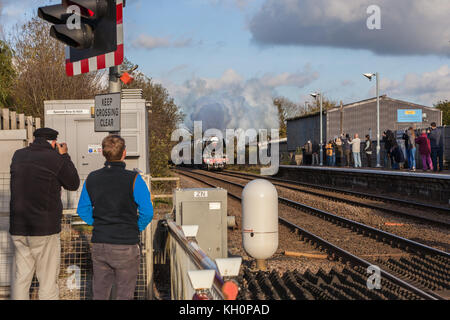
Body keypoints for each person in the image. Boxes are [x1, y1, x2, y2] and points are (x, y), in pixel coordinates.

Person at [77, 135, 153, 300]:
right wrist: (135, 227)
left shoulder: (92, 178)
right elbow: (147, 212)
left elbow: (83, 209)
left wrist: (97, 223)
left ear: (103, 153)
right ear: (124, 153)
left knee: (100, 293)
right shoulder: (134, 180)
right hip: (126, 245)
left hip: (100, 244)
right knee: (125, 294)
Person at [9, 128, 80, 300]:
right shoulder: (56, 159)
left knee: (21, 279)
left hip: (19, 228)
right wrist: (64, 156)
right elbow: (73, 183)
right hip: (45, 229)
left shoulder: (18, 155)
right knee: (47, 282)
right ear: (54, 142)